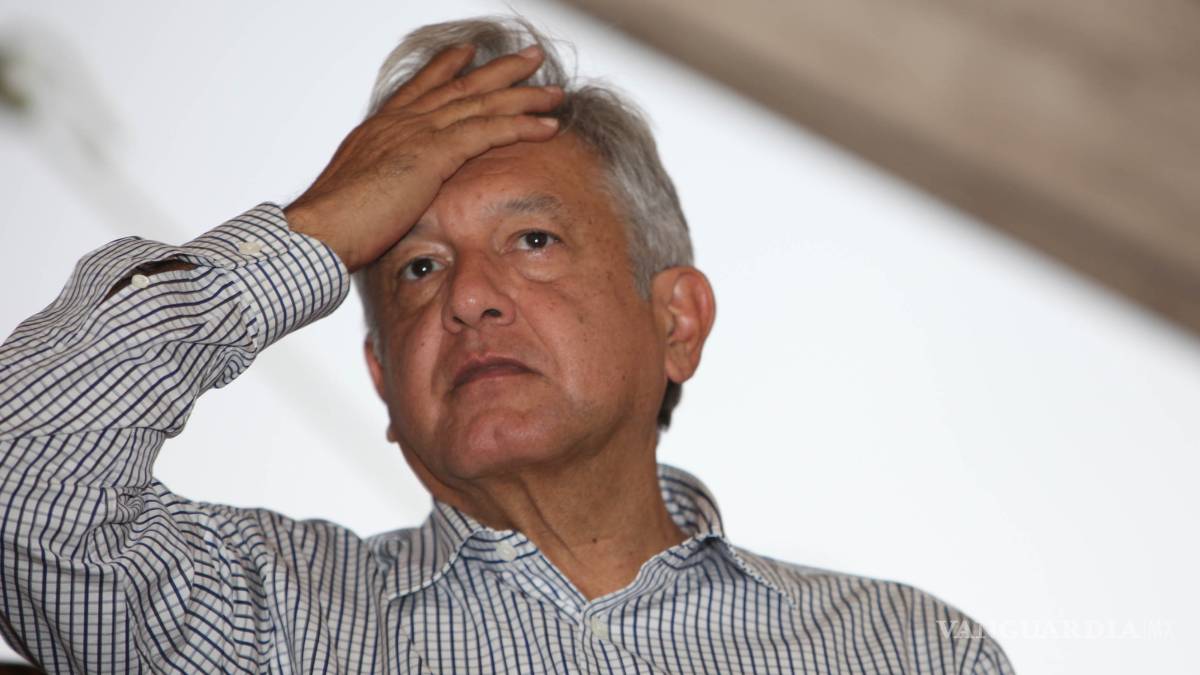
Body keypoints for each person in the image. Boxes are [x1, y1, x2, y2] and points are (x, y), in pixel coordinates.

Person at [0, 16, 1013, 674]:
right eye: (416, 268)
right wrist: (317, 227)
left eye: (533, 242)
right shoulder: (263, 620)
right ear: (382, 380)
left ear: (677, 321)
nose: (470, 299)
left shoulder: (905, 649)